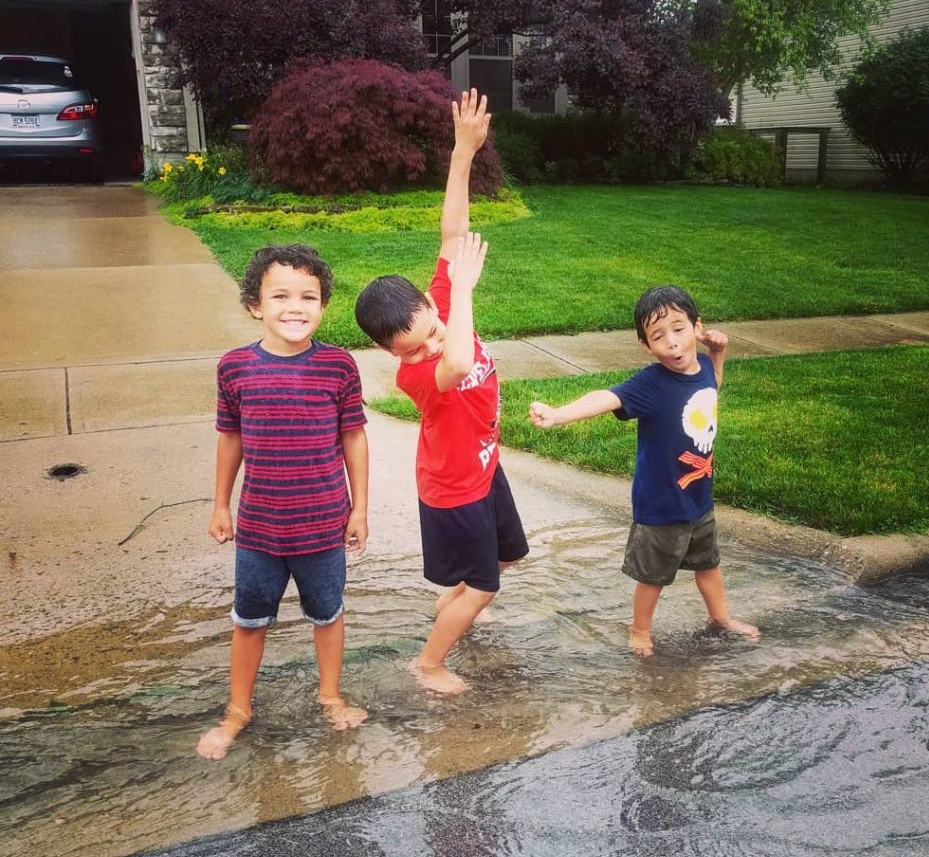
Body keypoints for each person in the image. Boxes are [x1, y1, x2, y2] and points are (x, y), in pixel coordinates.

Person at [354, 89, 528, 695]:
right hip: (453, 491)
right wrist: (467, 292)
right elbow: (455, 360)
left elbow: (453, 229)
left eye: (428, 330)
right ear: (390, 355)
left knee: (506, 561)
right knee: (485, 587)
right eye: (412, 347)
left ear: (430, 303)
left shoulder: (439, 299)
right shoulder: (417, 372)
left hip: (484, 469)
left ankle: (452, 607)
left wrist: (462, 152)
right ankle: (428, 663)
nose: (427, 346)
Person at [196, 243, 369, 759]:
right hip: (259, 530)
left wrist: (360, 508)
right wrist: (220, 504)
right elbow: (231, 439)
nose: (296, 307)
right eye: (281, 296)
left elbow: (354, 439)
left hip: (323, 526)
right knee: (248, 621)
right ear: (255, 305)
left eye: (309, 297)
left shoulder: (339, 367)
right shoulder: (235, 368)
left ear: (322, 306)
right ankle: (237, 710)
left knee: (328, 614)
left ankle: (331, 695)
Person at [529, 285, 759, 656]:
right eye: (658, 336)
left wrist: (719, 352)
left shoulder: (700, 366)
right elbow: (606, 398)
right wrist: (558, 414)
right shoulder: (651, 383)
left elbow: (712, 386)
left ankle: (720, 618)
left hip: (698, 498)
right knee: (653, 577)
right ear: (646, 346)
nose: (672, 342)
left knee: (709, 564)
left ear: (697, 327)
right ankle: (640, 631)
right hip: (662, 504)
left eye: (679, 329)